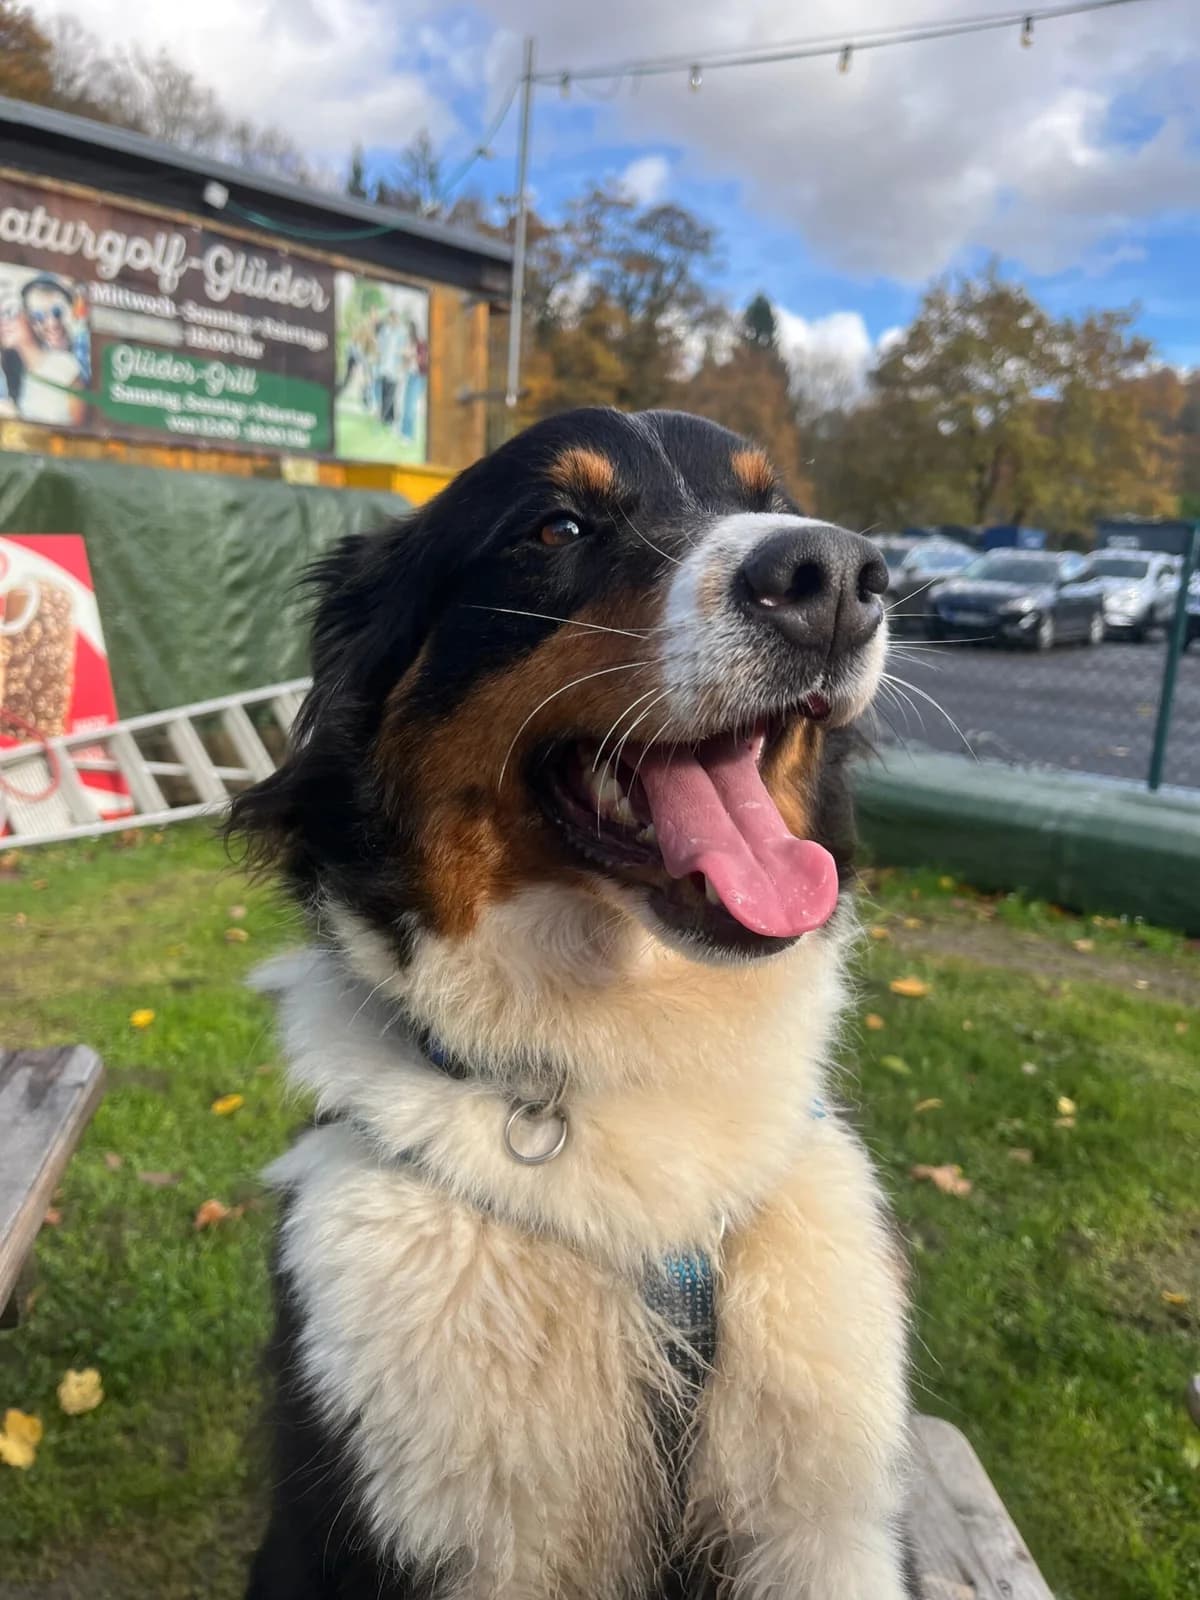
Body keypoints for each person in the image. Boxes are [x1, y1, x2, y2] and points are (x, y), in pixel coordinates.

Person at [0, 275, 87, 427]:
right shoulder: (12, 373)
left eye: (10, 313)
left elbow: (80, 428)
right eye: (39, 316)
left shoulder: (64, 367)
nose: (3, 323)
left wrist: (17, 419)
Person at [399, 316, 427, 446]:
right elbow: (404, 364)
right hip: (410, 376)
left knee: (410, 406)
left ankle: (409, 436)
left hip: (419, 377)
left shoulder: (421, 344)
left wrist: (413, 356)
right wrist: (405, 358)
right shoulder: (408, 343)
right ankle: (404, 432)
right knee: (405, 404)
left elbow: (423, 361)